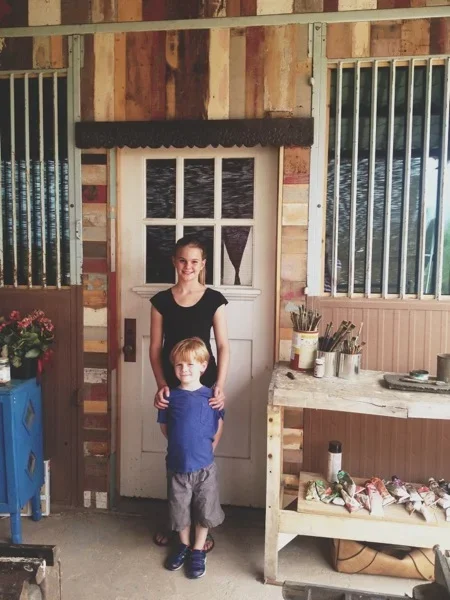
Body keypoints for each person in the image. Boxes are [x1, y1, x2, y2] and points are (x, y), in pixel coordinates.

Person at [149, 234, 229, 552]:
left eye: (194, 261)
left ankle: (201, 530)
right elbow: (155, 349)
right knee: (178, 456)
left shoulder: (214, 299)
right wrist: (161, 384)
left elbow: (223, 346)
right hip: (174, 386)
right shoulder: (161, 301)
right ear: (174, 262)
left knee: (203, 457)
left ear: (203, 264)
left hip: (205, 388)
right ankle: (177, 526)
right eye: (183, 260)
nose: (188, 266)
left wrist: (219, 384)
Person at [158, 337, 225, 579]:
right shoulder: (170, 397)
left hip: (205, 467)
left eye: (190, 364)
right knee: (179, 510)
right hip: (178, 466)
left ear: (203, 366)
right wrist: (181, 445)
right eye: (179, 365)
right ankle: (184, 545)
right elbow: (165, 427)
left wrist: (210, 447)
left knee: (204, 509)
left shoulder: (212, 397)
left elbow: (219, 424)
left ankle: (198, 549)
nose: (184, 369)